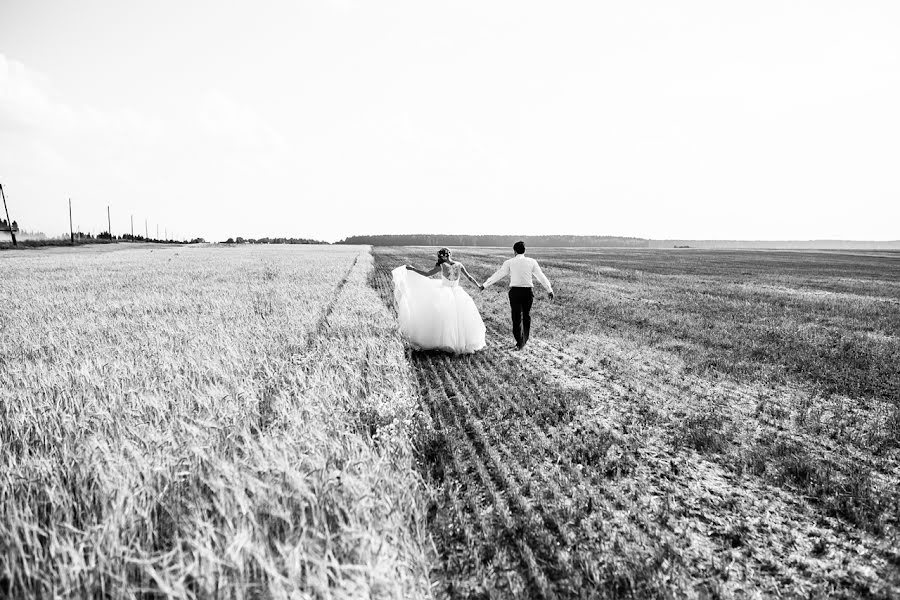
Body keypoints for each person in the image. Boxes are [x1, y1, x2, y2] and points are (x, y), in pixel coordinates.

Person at [391, 247, 486, 354]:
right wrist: (478, 286)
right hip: (457, 292)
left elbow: (427, 274)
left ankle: (449, 342)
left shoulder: (442, 265)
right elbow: (469, 277)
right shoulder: (459, 265)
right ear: (449, 254)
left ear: (442, 256)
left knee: (446, 317)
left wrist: (413, 269)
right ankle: (458, 343)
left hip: (445, 292)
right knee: (459, 317)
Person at [481, 241, 554, 350]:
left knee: (516, 317)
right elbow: (540, 276)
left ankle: (519, 341)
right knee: (526, 316)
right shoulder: (532, 262)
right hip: (528, 292)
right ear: (524, 250)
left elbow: (499, 274)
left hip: (515, 292)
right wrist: (549, 289)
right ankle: (524, 340)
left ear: (514, 251)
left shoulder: (509, 262)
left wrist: (485, 285)